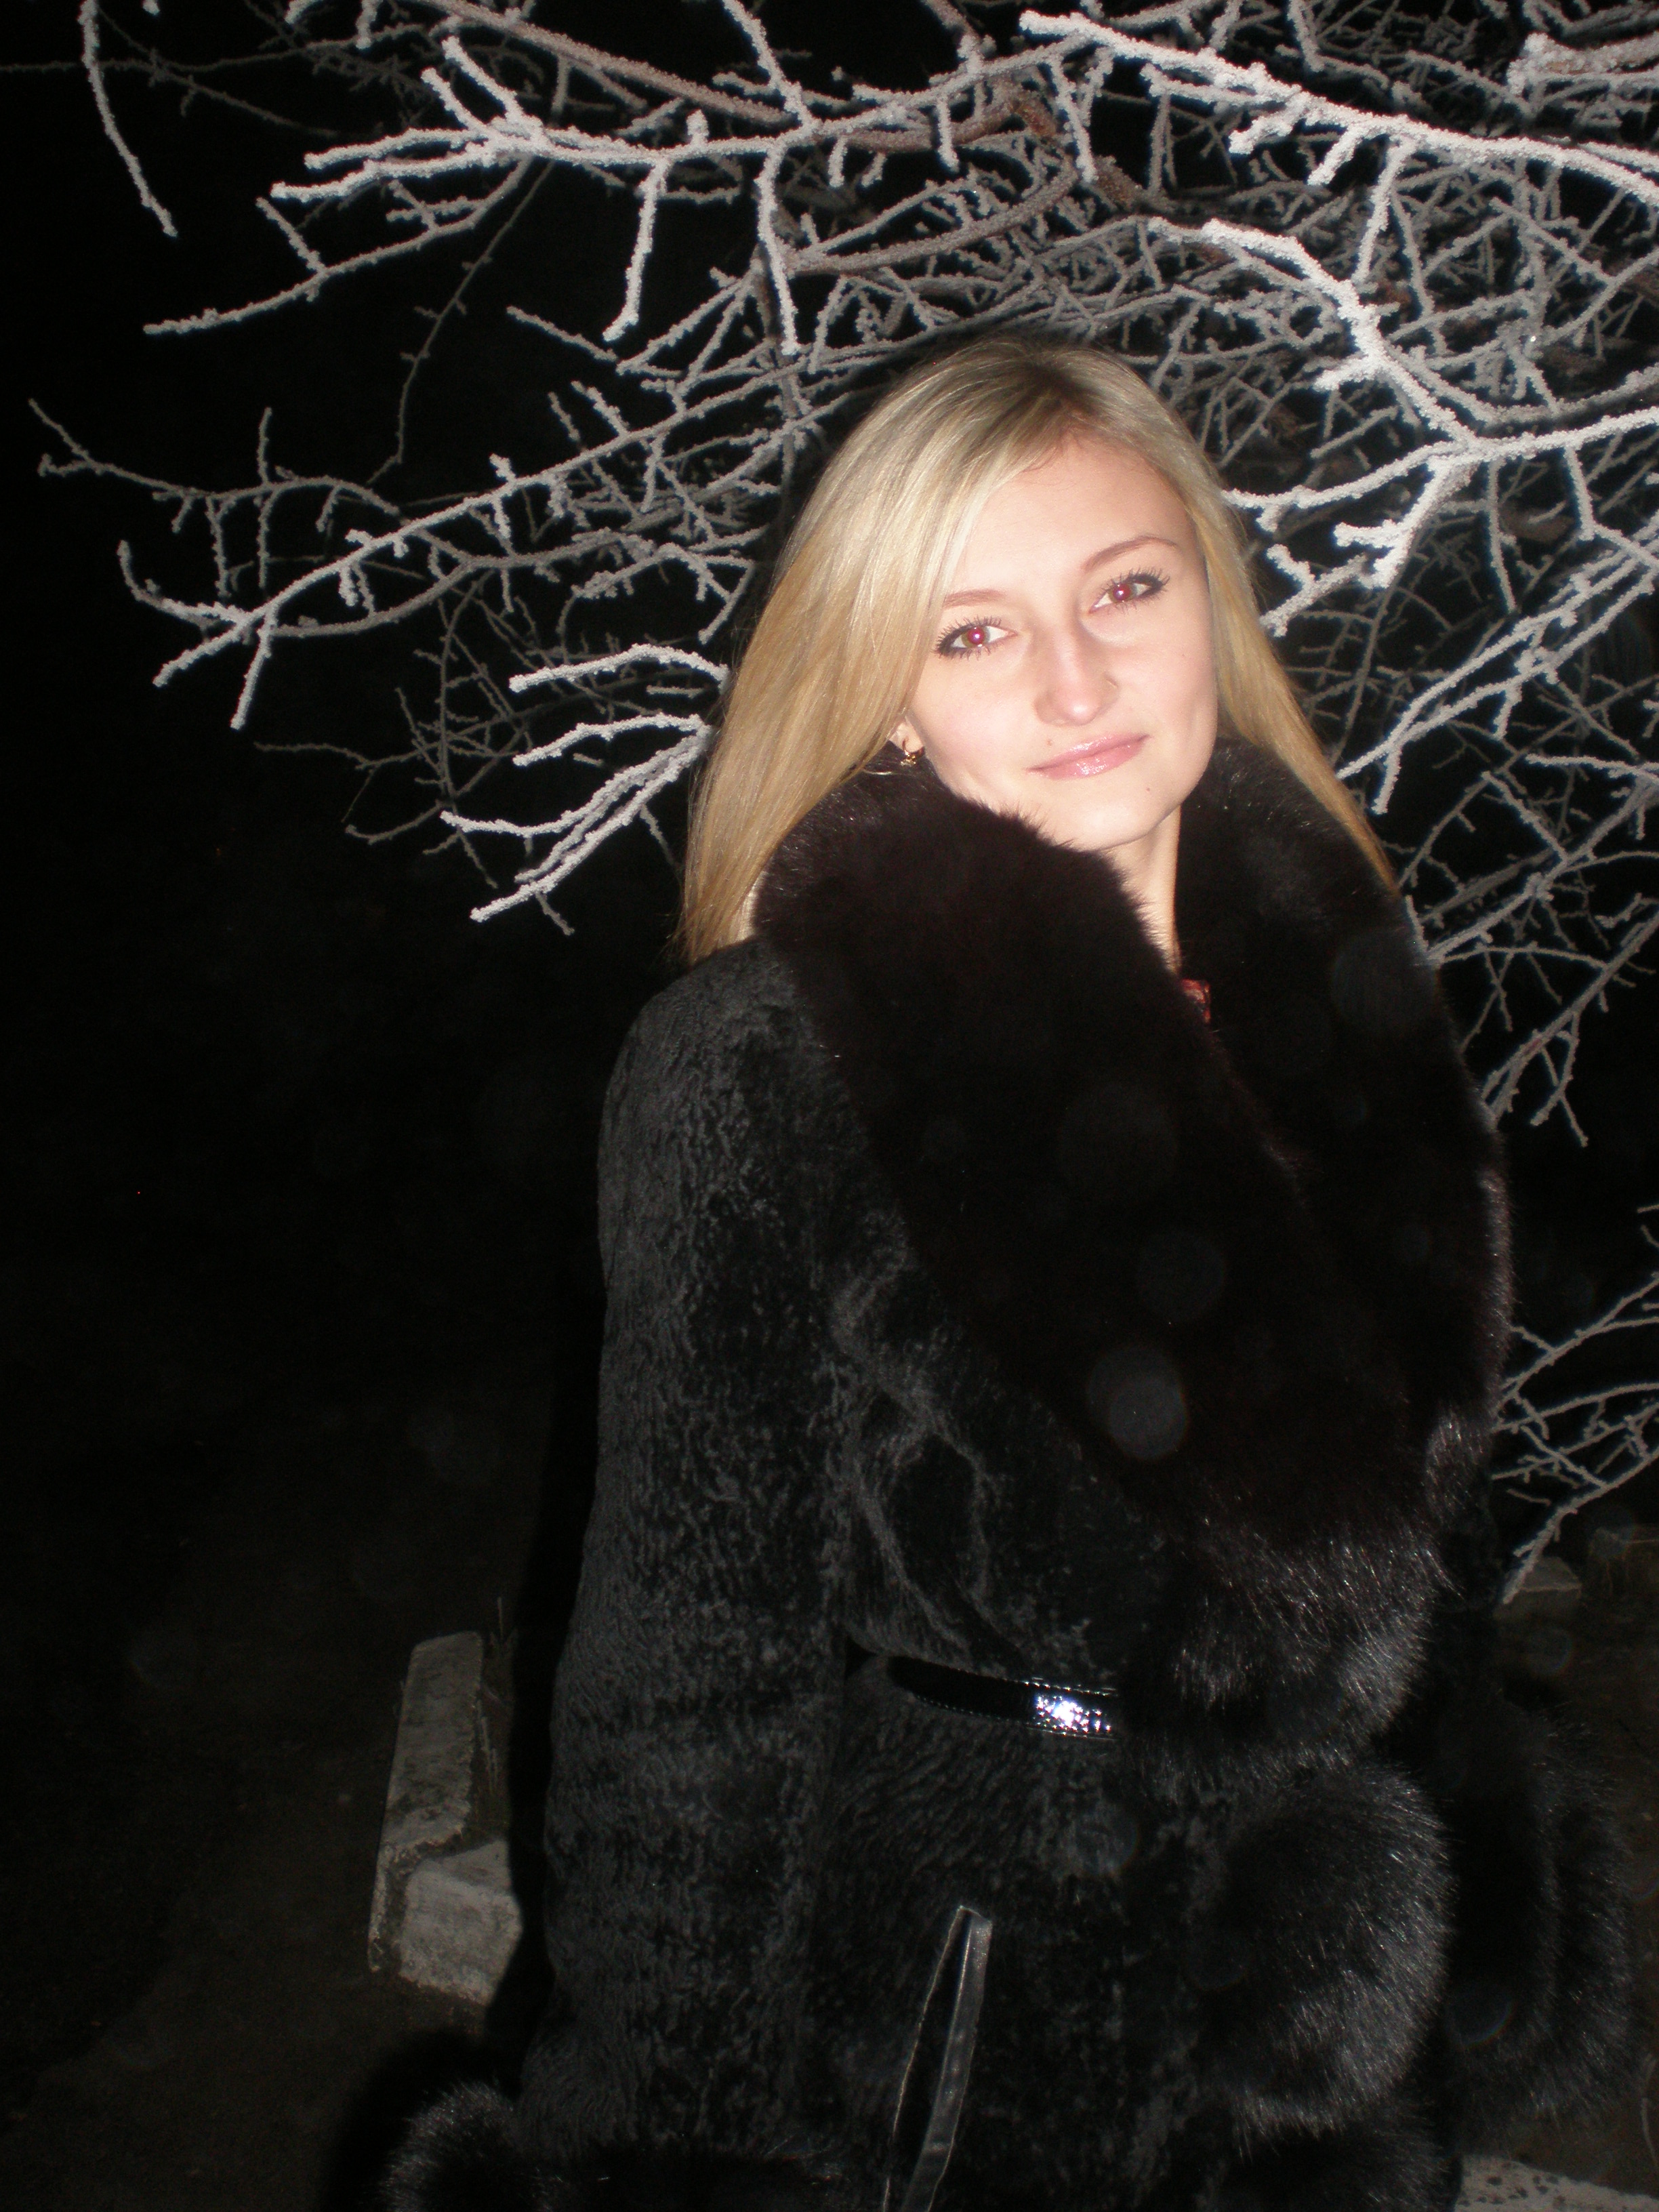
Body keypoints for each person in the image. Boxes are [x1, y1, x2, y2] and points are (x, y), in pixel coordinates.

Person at [389, 336, 1634, 2211]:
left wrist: (1478, 1905)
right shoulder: (769, 1062)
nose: (1074, 678)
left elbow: (1404, 1539)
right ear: (886, 699)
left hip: (1322, 2051)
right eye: (973, 632)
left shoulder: (1340, 995)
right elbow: (684, 1679)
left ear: (1209, 604)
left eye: (1125, 589)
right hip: (959, 2039)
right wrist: (659, 2138)